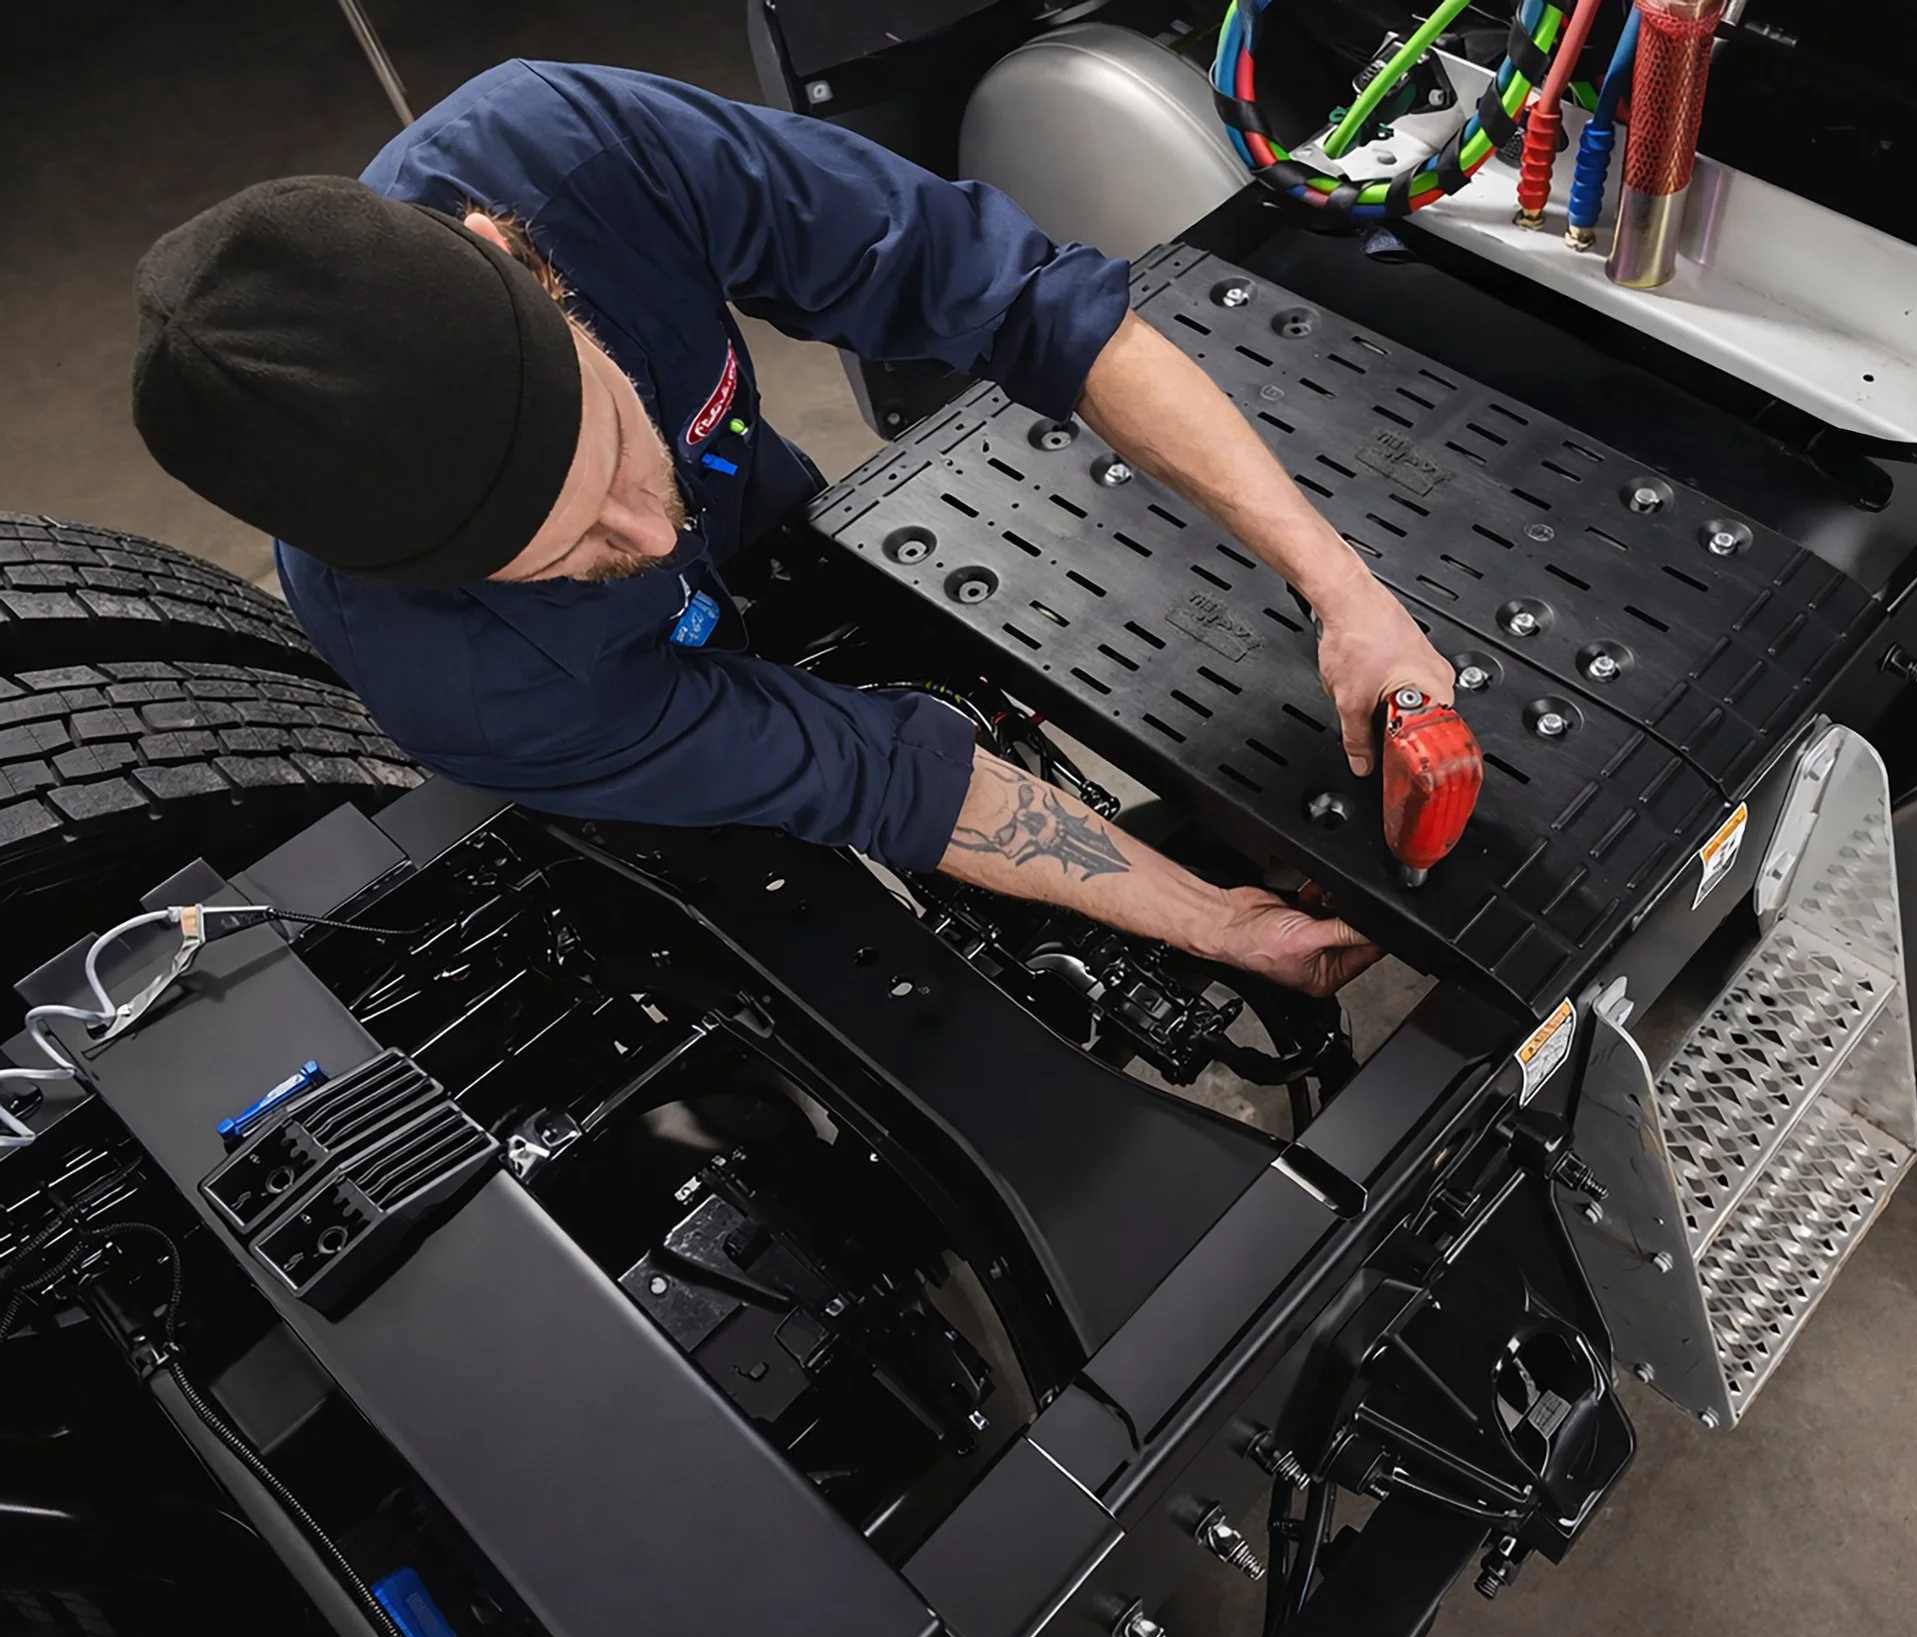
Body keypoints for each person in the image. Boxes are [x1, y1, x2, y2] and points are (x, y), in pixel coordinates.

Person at [129, 60, 1454, 998]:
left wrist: (1341, 588)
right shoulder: (454, 678)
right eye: (570, 553)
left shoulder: (575, 151)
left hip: (773, 517)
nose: (644, 527)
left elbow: (1022, 303)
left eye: (607, 451)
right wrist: (1218, 925)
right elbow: (865, 769)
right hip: (624, 724)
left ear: (519, 251)